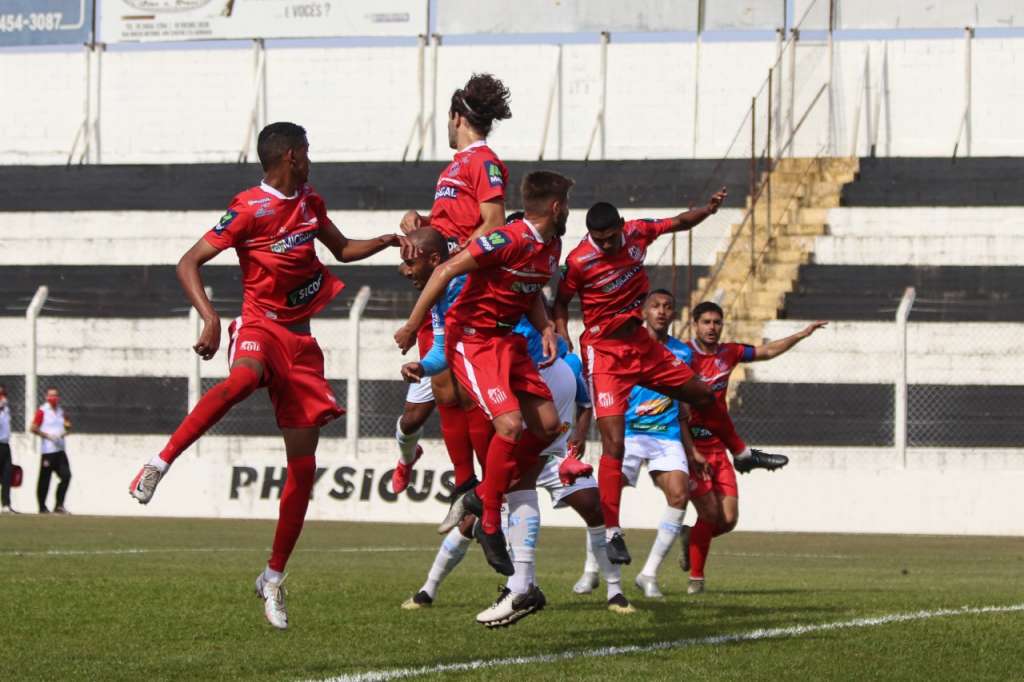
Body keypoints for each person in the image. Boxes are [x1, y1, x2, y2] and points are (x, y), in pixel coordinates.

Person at [127, 121, 413, 630]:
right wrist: (212, 318)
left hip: (301, 345)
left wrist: (390, 240)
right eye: (305, 151)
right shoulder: (247, 208)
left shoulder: (310, 202)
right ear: (289, 156)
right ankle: (159, 462)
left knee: (302, 470)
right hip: (260, 325)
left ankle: (273, 579)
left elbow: (341, 249)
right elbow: (188, 262)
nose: (310, 158)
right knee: (240, 380)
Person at [554, 192, 787, 566]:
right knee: (613, 445)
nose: (608, 244)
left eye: (612, 236)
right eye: (600, 240)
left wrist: (707, 211)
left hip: (640, 345)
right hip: (605, 354)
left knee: (704, 394)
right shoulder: (579, 261)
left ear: (620, 228)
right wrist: (561, 330)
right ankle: (612, 531)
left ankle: (742, 453)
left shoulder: (637, 234)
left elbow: (677, 222)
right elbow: (561, 302)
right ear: (590, 237)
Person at [394, 171, 573, 624]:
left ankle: (478, 497)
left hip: (508, 342)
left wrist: (546, 325)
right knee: (510, 426)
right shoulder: (507, 238)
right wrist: (413, 326)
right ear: (555, 206)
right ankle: (489, 518)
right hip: (473, 342)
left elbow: (528, 291)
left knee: (550, 429)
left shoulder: (550, 246)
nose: (570, 208)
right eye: (567, 201)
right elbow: (446, 269)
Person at [400, 305, 635, 620]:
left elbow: (584, 404)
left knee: (591, 506)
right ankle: (429, 589)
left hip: (555, 450)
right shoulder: (515, 341)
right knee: (481, 514)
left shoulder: (554, 355)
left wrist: (575, 442)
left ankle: (613, 590)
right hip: (529, 435)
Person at [392, 73, 512, 498]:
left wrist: (457, 262)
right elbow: (450, 227)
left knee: (459, 392)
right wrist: (420, 222)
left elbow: (494, 226)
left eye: (448, 119)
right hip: (443, 285)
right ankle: (467, 488)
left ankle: (480, 492)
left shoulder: (484, 161)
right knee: (443, 391)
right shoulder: (455, 167)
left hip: (463, 287)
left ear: (456, 117)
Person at [681, 302, 825, 594]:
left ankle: (691, 538)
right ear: (695, 324)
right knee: (708, 514)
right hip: (690, 448)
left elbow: (766, 351)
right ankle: (696, 579)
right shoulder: (683, 355)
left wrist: (801, 335)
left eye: (716, 322)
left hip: (718, 447)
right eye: (706, 322)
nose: (712, 327)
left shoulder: (729, 353)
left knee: (729, 519)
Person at [603, 289, 700, 599]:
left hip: (666, 435)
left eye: (667, 307)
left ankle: (648, 574)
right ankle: (595, 568)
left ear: (673, 314)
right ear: (643, 312)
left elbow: (684, 405)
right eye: (655, 306)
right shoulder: (626, 348)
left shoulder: (683, 353)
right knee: (607, 491)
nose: (661, 311)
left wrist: (692, 447)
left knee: (680, 494)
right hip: (629, 433)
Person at [31, 387, 72, 514]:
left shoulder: (61, 411)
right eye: (50, 396)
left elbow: (68, 426)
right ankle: (42, 507)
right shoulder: (42, 411)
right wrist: (47, 436)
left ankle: (59, 505)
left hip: (60, 450)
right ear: (46, 397)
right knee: (45, 479)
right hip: (48, 451)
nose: (53, 398)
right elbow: (33, 428)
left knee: (66, 476)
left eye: (55, 396)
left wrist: (66, 431)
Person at [0, 385, 19, 514]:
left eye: (3, 394)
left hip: (5, 445)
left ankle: (6, 504)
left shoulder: (6, 409)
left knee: (7, 475)